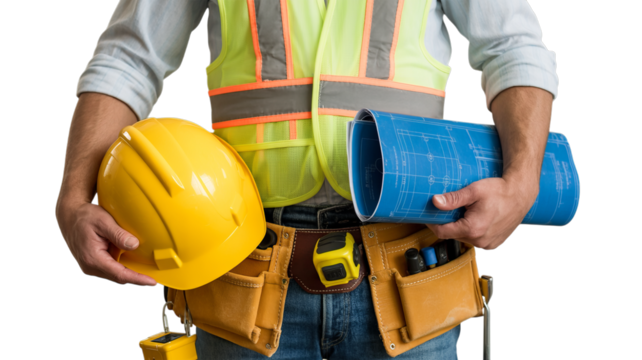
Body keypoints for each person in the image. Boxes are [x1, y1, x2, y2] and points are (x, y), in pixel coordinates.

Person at [54, 0, 558, 359]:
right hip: (244, 273)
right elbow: (128, 60)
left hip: (408, 269)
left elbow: (512, 48)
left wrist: (522, 182)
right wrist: (74, 199)